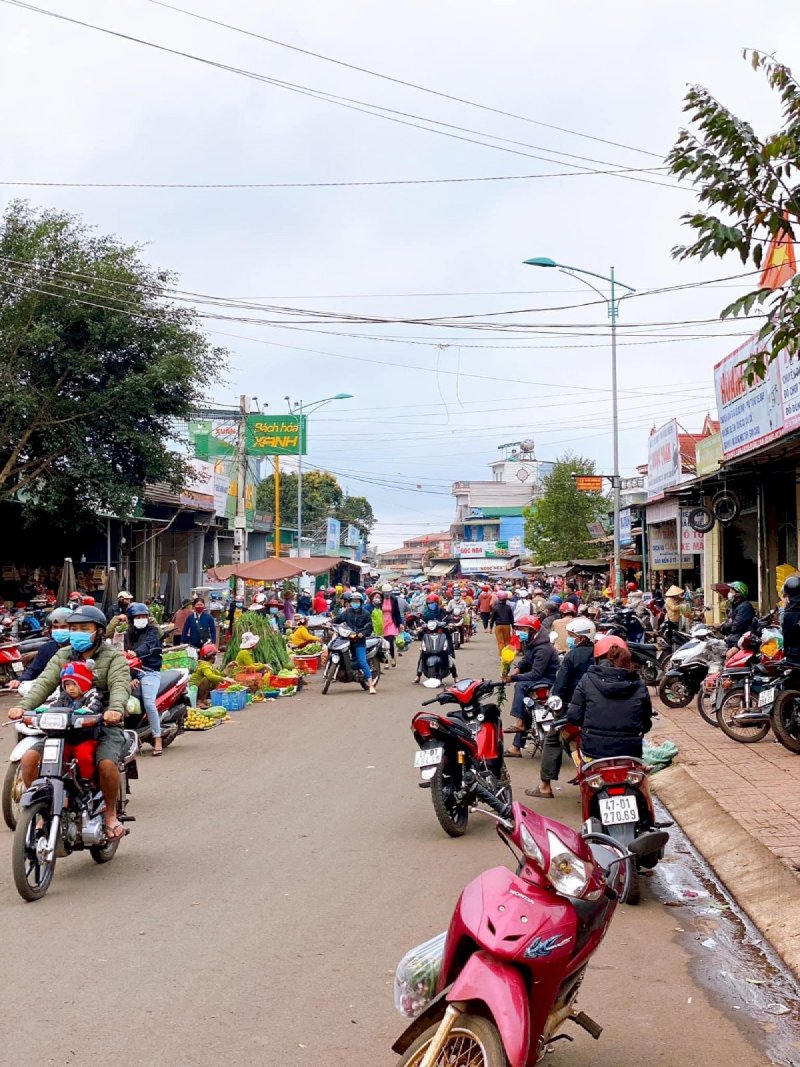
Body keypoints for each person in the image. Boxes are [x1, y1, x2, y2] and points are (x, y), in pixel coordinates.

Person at [7, 605, 131, 840]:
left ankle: (110, 815)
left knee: (105, 764)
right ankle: (42, 808)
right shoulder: (62, 655)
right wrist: (23, 707)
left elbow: (120, 686)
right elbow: (43, 683)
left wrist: (114, 710)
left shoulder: (113, 657)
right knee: (30, 758)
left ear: (99, 631)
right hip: (65, 723)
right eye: (73, 628)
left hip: (102, 724)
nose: (77, 633)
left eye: (84, 628)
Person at [526, 617, 596, 798]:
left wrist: (555, 703)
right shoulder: (599, 652)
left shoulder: (572, 656)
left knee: (552, 739)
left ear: (580, 638)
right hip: (597, 708)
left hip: (571, 708)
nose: (569, 639)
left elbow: (560, 686)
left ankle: (545, 786)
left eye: (572, 636)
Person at [566, 635, 653, 760]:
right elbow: (646, 723)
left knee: (582, 772)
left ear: (597, 659)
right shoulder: (639, 684)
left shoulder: (587, 680)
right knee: (643, 776)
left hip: (593, 751)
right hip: (630, 752)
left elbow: (574, 717)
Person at [505, 616, 560, 757]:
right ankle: (516, 747)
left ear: (531, 630)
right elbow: (526, 659)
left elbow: (536, 673)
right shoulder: (531, 642)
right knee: (527, 706)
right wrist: (517, 669)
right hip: (540, 676)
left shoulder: (543, 648)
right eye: (518, 629)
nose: (519, 632)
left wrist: (514, 677)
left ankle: (519, 721)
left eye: (522, 629)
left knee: (521, 685)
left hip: (547, 679)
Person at [124, 601, 164, 756]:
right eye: (138, 616)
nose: (141, 618)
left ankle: (157, 737)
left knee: (148, 702)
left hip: (150, 672)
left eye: (144, 616)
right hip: (133, 672)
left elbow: (148, 645)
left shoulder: (153, 631)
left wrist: (137, 653)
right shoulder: (129, 633)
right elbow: (124, 653)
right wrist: (131, 676)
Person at [6, 606, 72, 691]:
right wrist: (19, 680)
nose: (59, 630)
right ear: (50, 629)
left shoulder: (79, 649)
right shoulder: (47, 649)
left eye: (64, 627)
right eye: (55, 627)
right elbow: (33, 670)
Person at [334, 591, 376, 694]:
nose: (355, 603)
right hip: (347, 639)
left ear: (361, 602)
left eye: (357, 601)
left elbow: (369, 628)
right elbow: (338, 619)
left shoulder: (366, 613)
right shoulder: (347, 612)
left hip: (359, 641)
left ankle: (371, 685)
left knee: (362, 661)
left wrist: (363, 633)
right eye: (353, 601)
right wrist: (329, 623)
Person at [720, 581, 755, 648]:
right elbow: (730, 621)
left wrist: (723, 626)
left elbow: (735, 628)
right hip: (733, 639)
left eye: (731, 592)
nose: (729, 594)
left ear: (738, 594)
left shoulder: (744, 607)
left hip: (741, 641)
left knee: (728, 655)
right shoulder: (735, 606)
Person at [490, 590, 515, 655]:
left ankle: (502, 655)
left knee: (500, 642)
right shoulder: (508, 607)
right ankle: (507, 655)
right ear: (506, 599)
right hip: (507, 626)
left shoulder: (495, 608)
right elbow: (511, 618)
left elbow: (492, 618)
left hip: (498, 626)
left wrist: (490, 627)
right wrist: (513, 627)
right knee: (507, 641)